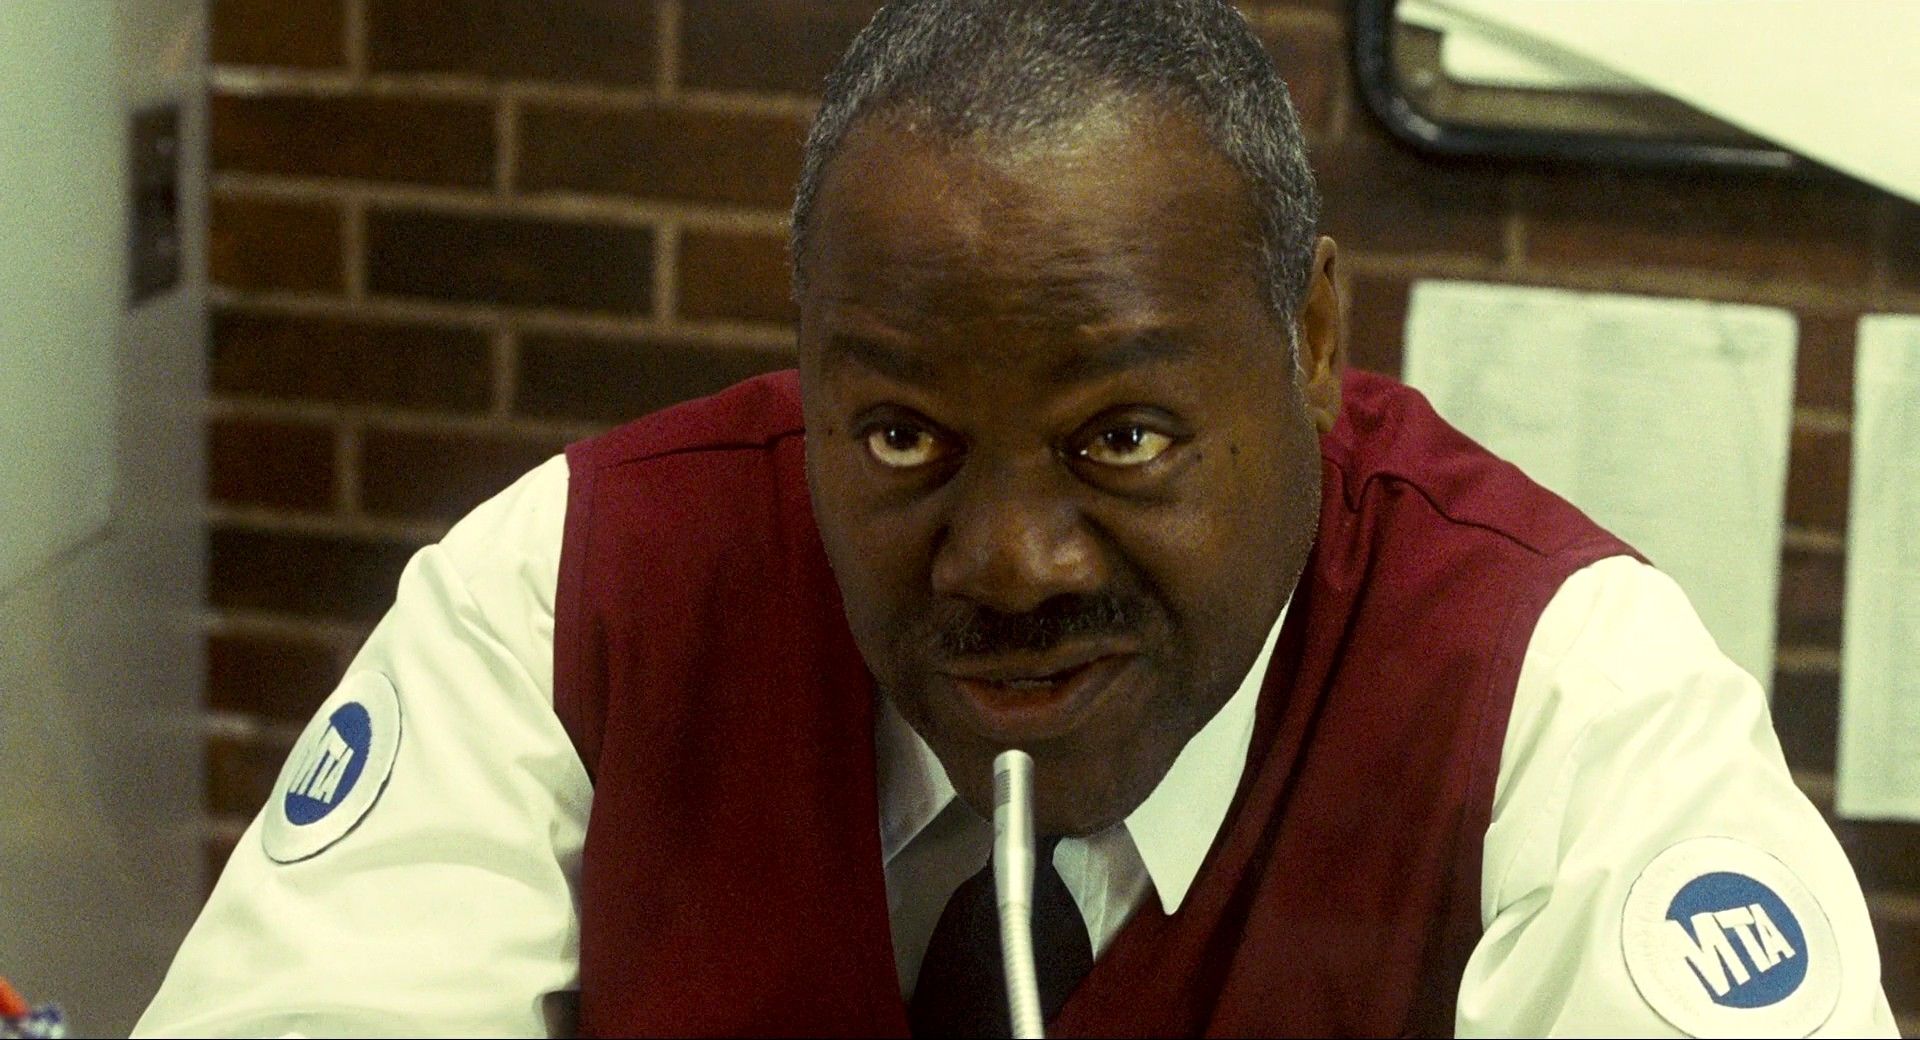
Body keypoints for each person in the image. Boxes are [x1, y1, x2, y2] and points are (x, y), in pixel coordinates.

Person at [137, 1, 1897, 1036]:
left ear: (1311, 343)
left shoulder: (1556, 688)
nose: (1010, 560)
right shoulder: (572, 592)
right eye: (902, 435)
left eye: (1123, 435)